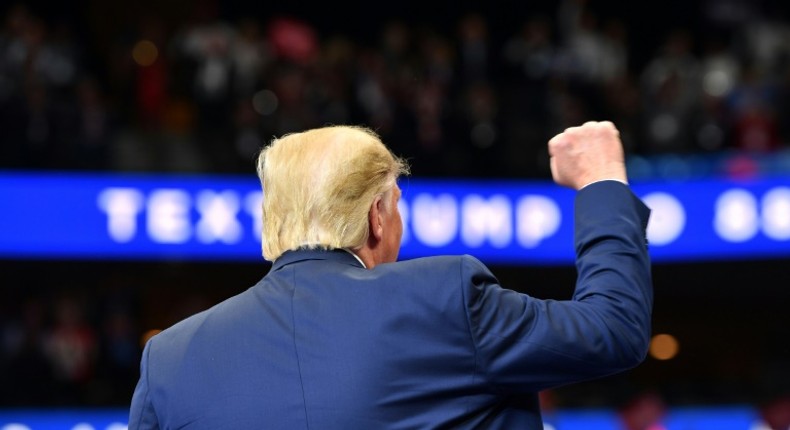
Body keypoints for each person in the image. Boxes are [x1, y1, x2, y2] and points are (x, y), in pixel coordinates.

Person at [128, 121, 652, 429]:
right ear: (377, 216)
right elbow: (614, 327)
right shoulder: (444, 301)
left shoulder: (169, 360)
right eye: (397, 205)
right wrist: (601, 181)